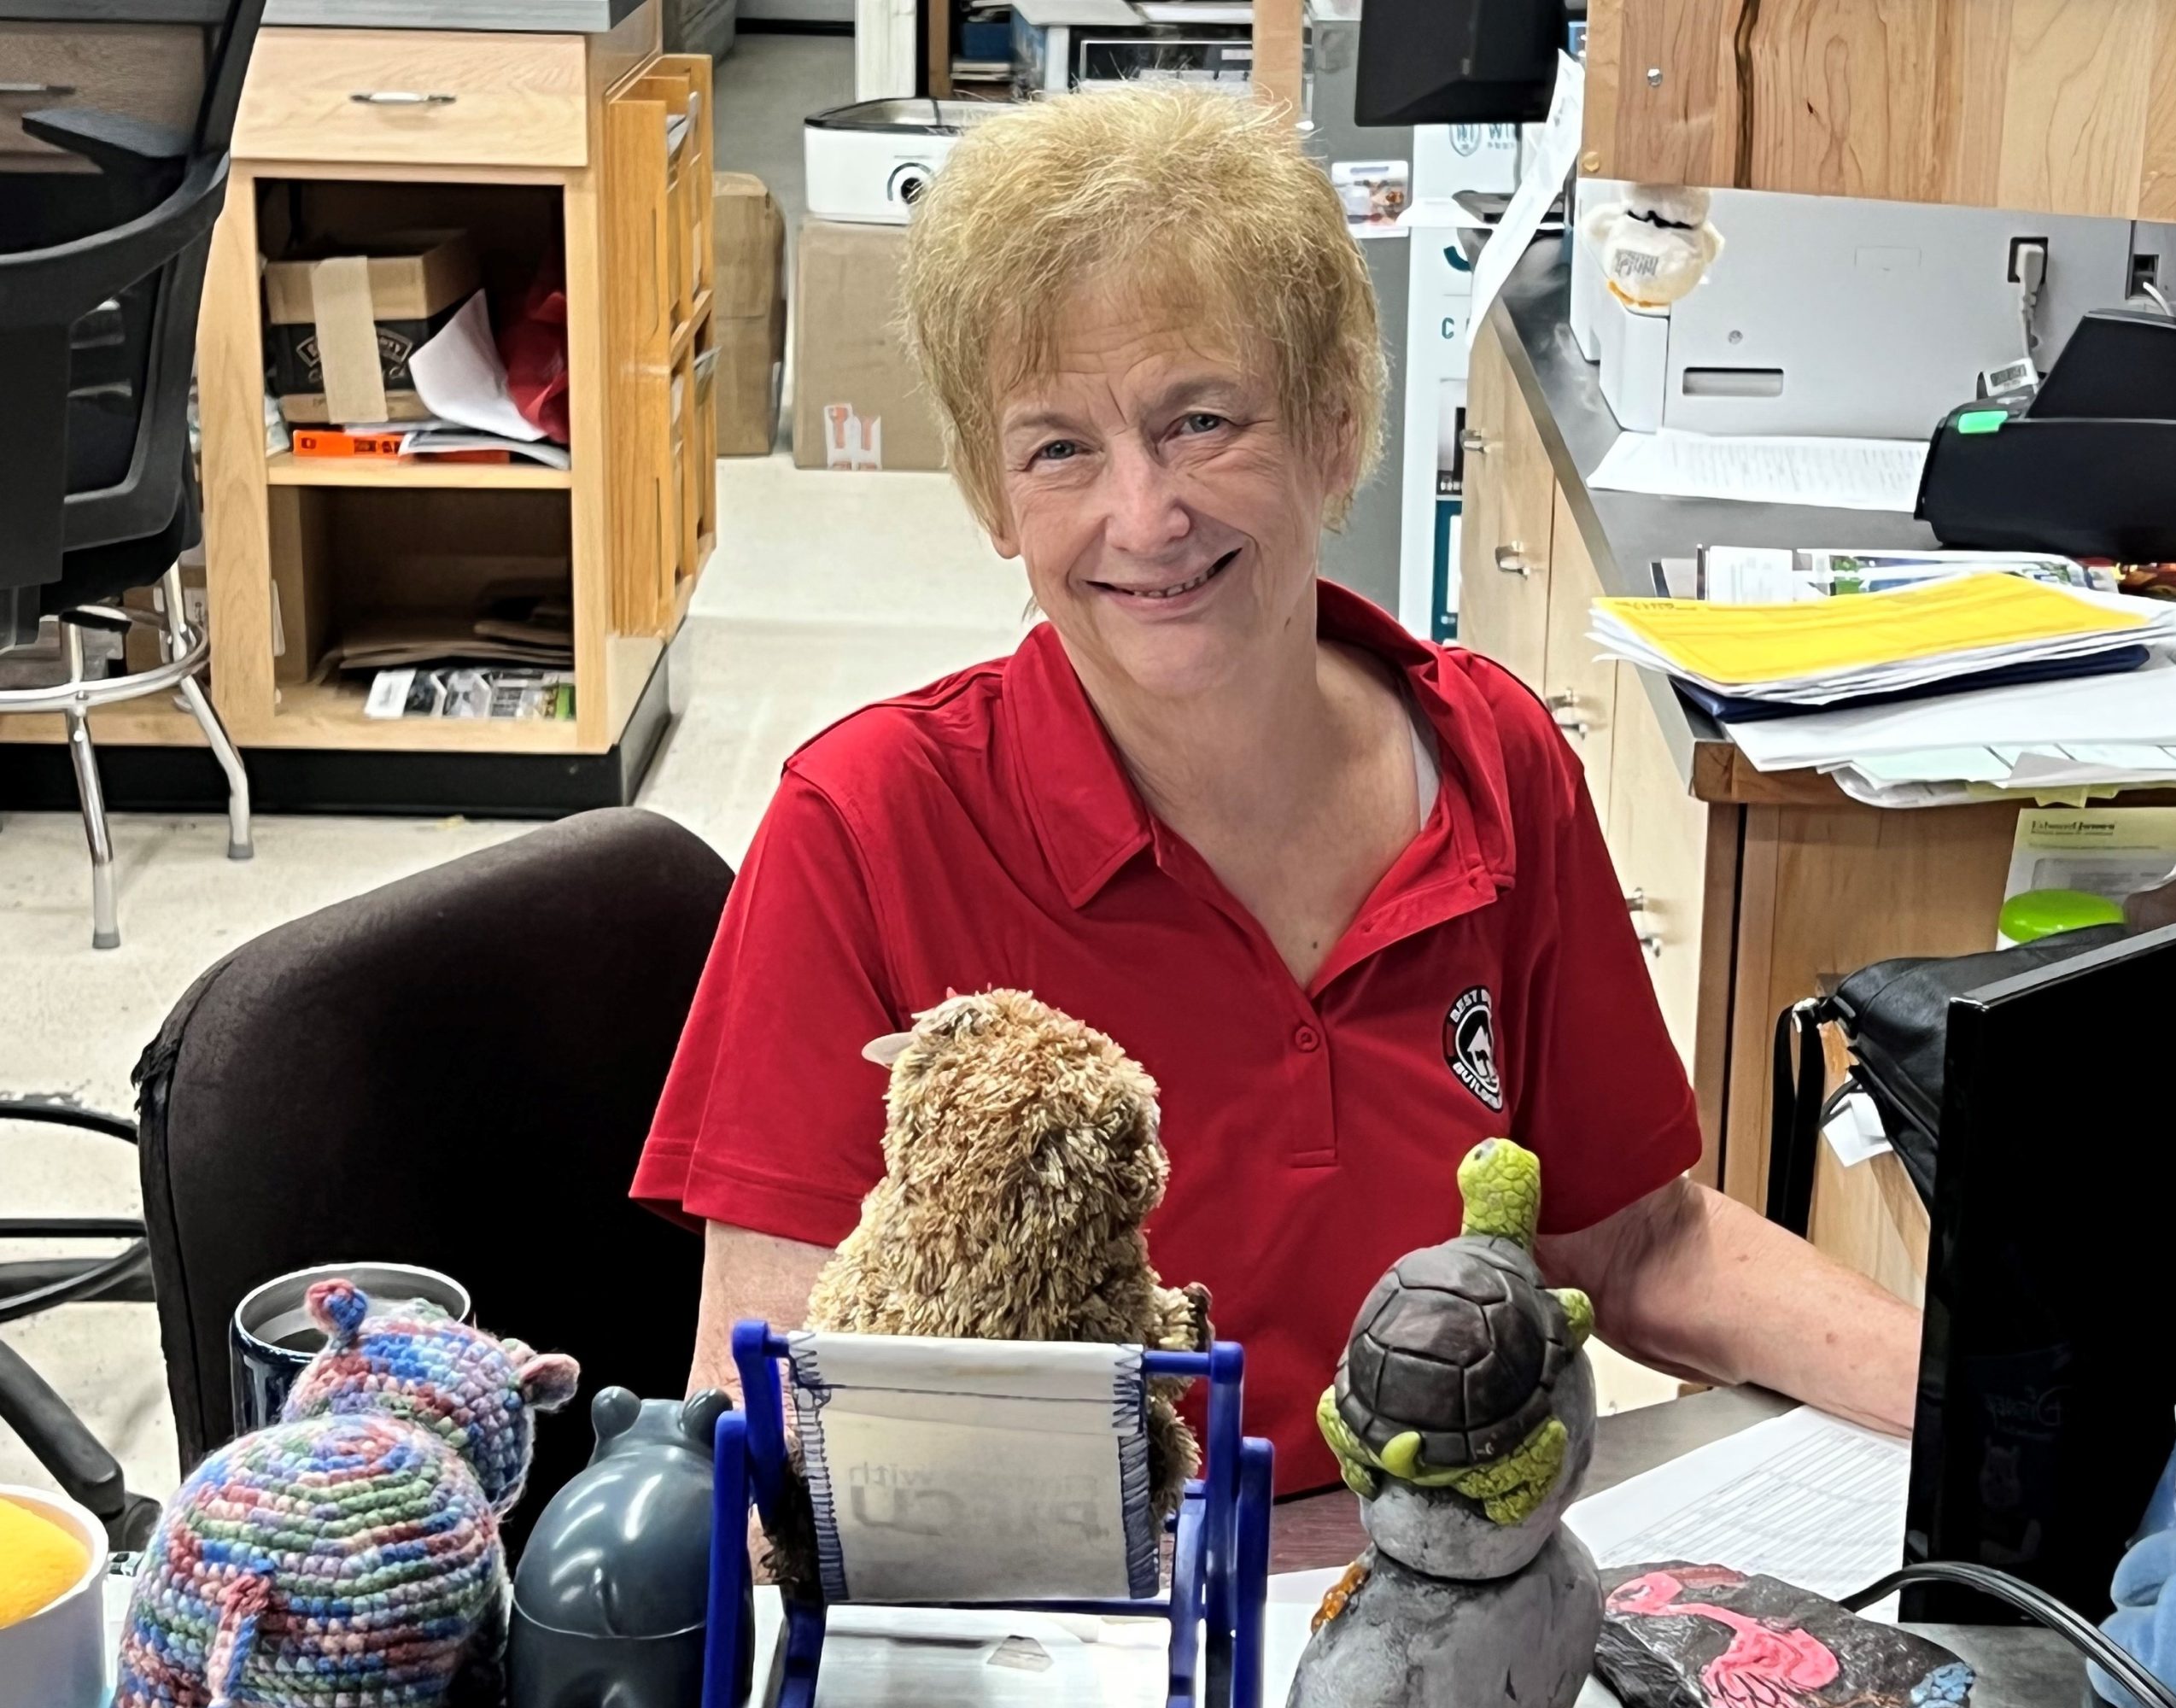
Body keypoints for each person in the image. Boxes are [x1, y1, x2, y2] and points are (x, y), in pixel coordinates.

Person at [635, 89, 1919, 1493]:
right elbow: (764, 1416)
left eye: (1200, 421)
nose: (1145, 517)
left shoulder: (1492, 764)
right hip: (1065, 1604)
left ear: (1335, 430)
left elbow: (1640, 1243)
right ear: (993, 498)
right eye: (1059, 448)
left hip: (1444, 1568)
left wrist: (2001, 1416)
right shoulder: (868, 828)